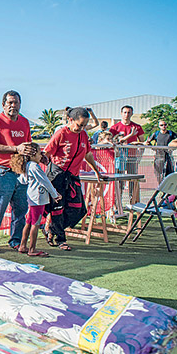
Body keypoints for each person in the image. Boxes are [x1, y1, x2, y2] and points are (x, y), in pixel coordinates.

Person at [0, 90, 37, 253]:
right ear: (3, 104)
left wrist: (37, 156)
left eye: (16, 102)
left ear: (20, 104)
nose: (13, 105)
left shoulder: (24, 122)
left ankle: (16, 241)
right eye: (10, 102)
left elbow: (28, 145)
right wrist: (16, 149)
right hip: (3, 172)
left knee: (21, 210)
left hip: (21, 172)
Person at [43, 107, 104, 251]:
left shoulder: (83, 135)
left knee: (79, 210)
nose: (82, 128)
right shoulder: (61, 133)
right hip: (57, 174)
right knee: (58, 208)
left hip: (73, 176)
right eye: (79, 125)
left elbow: (87, 154)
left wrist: (97, 171)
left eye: (84, 125)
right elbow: (47, 153)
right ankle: (61, 240)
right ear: (70, 120)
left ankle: (51, 229)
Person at [11, 147, 61, 258]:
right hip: (38, 198)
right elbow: (45, 181)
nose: (41, 156)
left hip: (32, 196)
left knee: (29, 222)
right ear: (33, 155)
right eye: (39, 153)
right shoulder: (34, 166)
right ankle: (32, 249)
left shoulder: (28, 165)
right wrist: (55, 194)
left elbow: (23, 180)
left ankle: (23, 246)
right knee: (35, 224)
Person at [109, 105, 145, 203]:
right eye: (125, 112)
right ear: (121, 113)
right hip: (119, 157)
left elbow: (142, 142)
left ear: (132, 113)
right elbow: (111, 141)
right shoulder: (115, 127)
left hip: (132, 157)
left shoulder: (137, 127)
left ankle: (133, 202)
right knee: (119, 180)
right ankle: (117, 202)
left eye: (129, 112)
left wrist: (140, 154)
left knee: (133, 179)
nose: (127, 114)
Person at [145, 119, 175, 184]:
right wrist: (153, 147)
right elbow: (148, 142)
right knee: (158, 173)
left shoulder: (171, 133)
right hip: (159, 156)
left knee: (169, 173)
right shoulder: (156, 134)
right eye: (161, 125)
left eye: (165, 125)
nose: (163, 126)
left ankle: (167, 187)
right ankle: (160, 185)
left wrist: (173, 147)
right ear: (159, 126)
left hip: (168, 156)